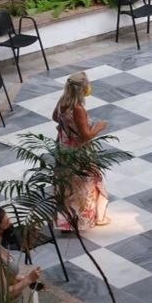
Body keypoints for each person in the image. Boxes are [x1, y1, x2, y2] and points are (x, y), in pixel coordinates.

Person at [52, 71, 109, 231]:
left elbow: (55, 117)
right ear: (83, 89)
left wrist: (68, 127)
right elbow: (86, 136)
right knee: (85, 185)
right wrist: (99, 126)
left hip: (63, 149)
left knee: (68, 186)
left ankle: (67, 221)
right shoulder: (77, 109)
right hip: (78, 153)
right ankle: (87, 219)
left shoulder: (63, 101)